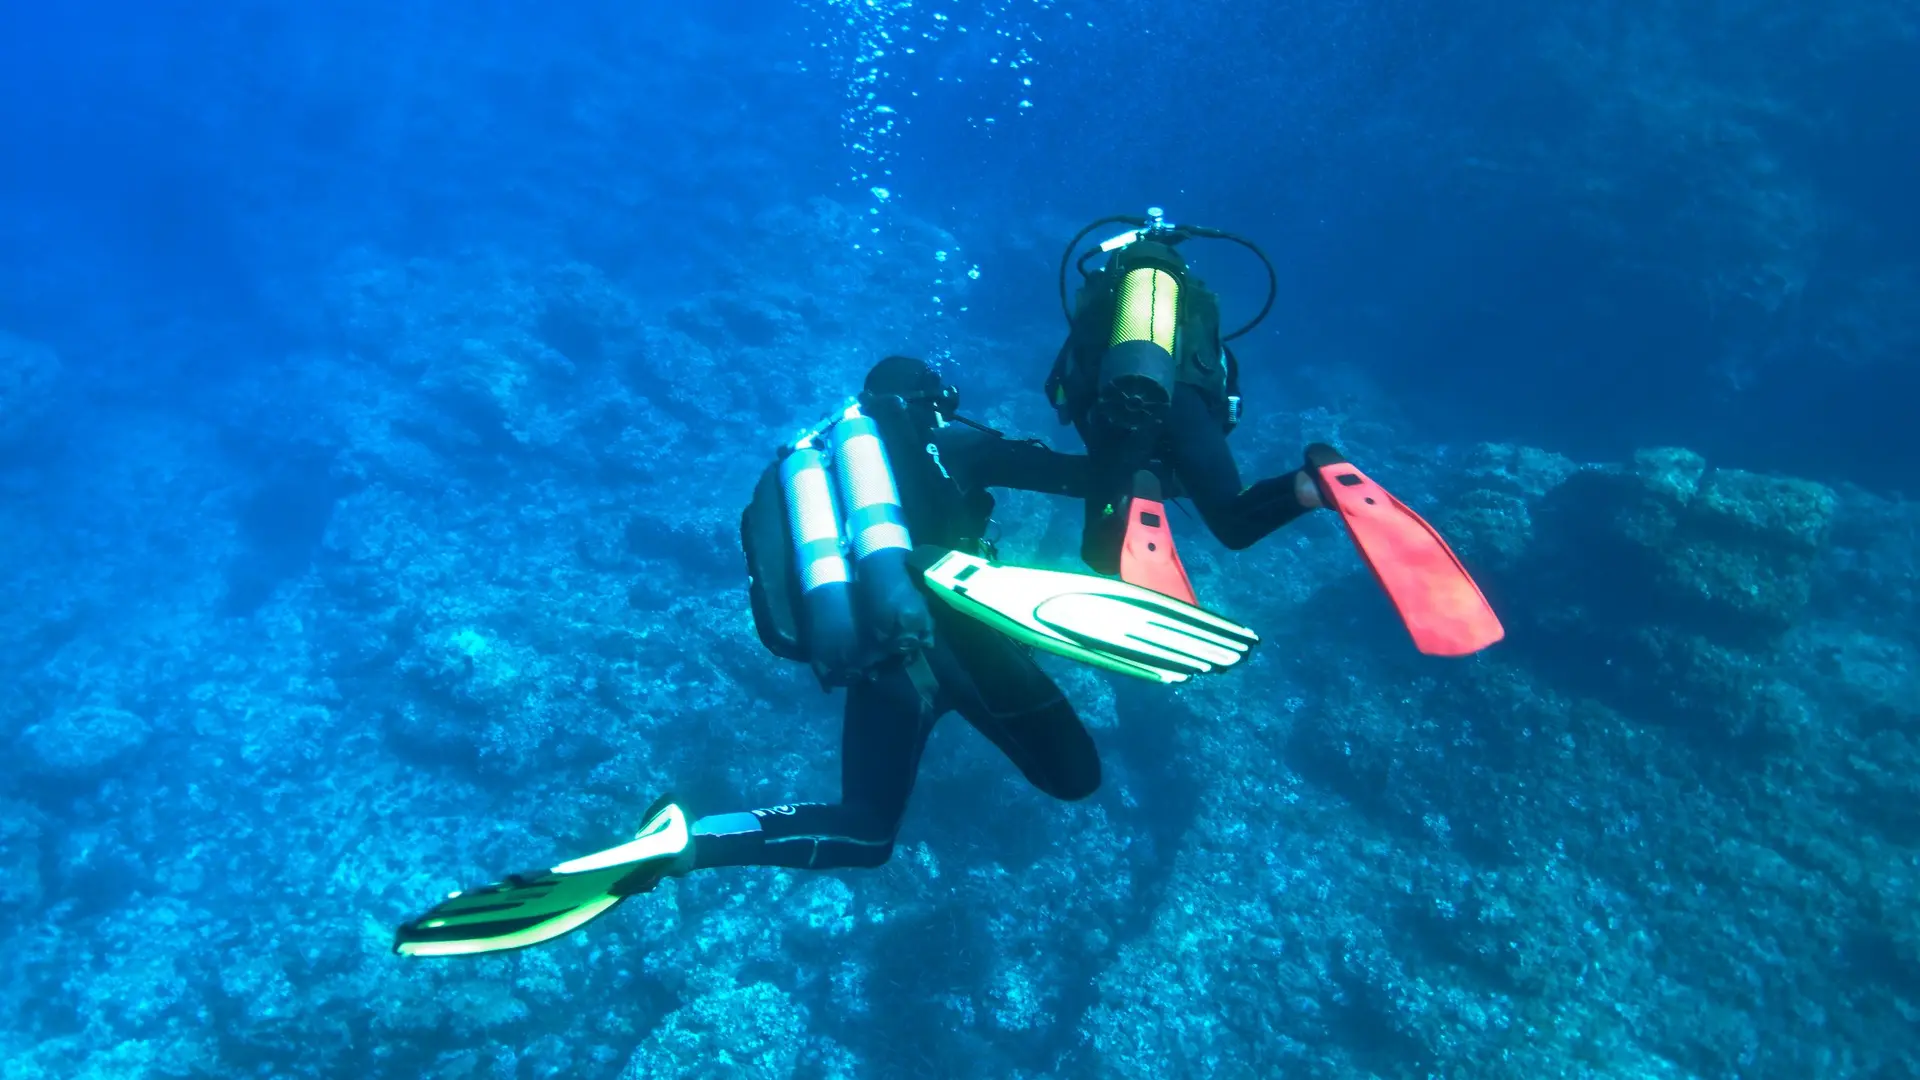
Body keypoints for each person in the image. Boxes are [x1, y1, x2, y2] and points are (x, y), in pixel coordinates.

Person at [393, 356, 1258, 957]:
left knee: (866, 829)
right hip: (970, 636)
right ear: (931, 399)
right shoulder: (953, 442)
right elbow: (1090, 479)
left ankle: (684, 843)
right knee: (1075, 778)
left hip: (878, 659)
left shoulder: (824, 470)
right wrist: (1162, 440)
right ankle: (688, 841)